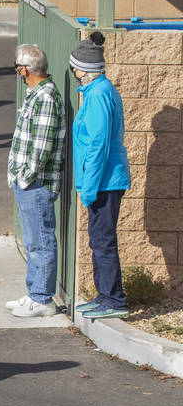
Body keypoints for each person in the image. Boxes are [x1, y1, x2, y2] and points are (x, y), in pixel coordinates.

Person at [70, 32, 132, 320]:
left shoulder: (98, 95)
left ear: (84, 69)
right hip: (105, 180)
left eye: (74, 68)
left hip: (105, 182)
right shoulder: (98, 91)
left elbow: (98, 145)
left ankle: (114, 299)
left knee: (103, 240)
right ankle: (105, 295)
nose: (73, 73)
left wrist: (90, 187)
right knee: (99, 240)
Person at [6, 43, 65, 318]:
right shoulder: (37, 94)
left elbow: (40, 150)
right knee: (33, 242)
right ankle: (34, 293)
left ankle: (43, 299)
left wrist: (24, 177)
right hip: (29, 183)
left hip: (36, 184)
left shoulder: (45, 98)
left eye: (17, 68)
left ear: (24, 70)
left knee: (40, 241)